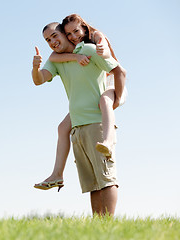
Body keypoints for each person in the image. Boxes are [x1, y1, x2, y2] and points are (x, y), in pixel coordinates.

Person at [32, 22, 126, 216]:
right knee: (92, 184)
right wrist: (35, 67)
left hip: (97, 122)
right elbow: (39, 80)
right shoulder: (57, 60)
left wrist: (116, 98)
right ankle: (97, 227)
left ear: (66, 35)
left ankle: (108, 227)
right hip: (77, 127)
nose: (52, 42)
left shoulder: (89, 49)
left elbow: (117, 70)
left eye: (55, 36)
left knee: (106, 180)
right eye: (48, 40)